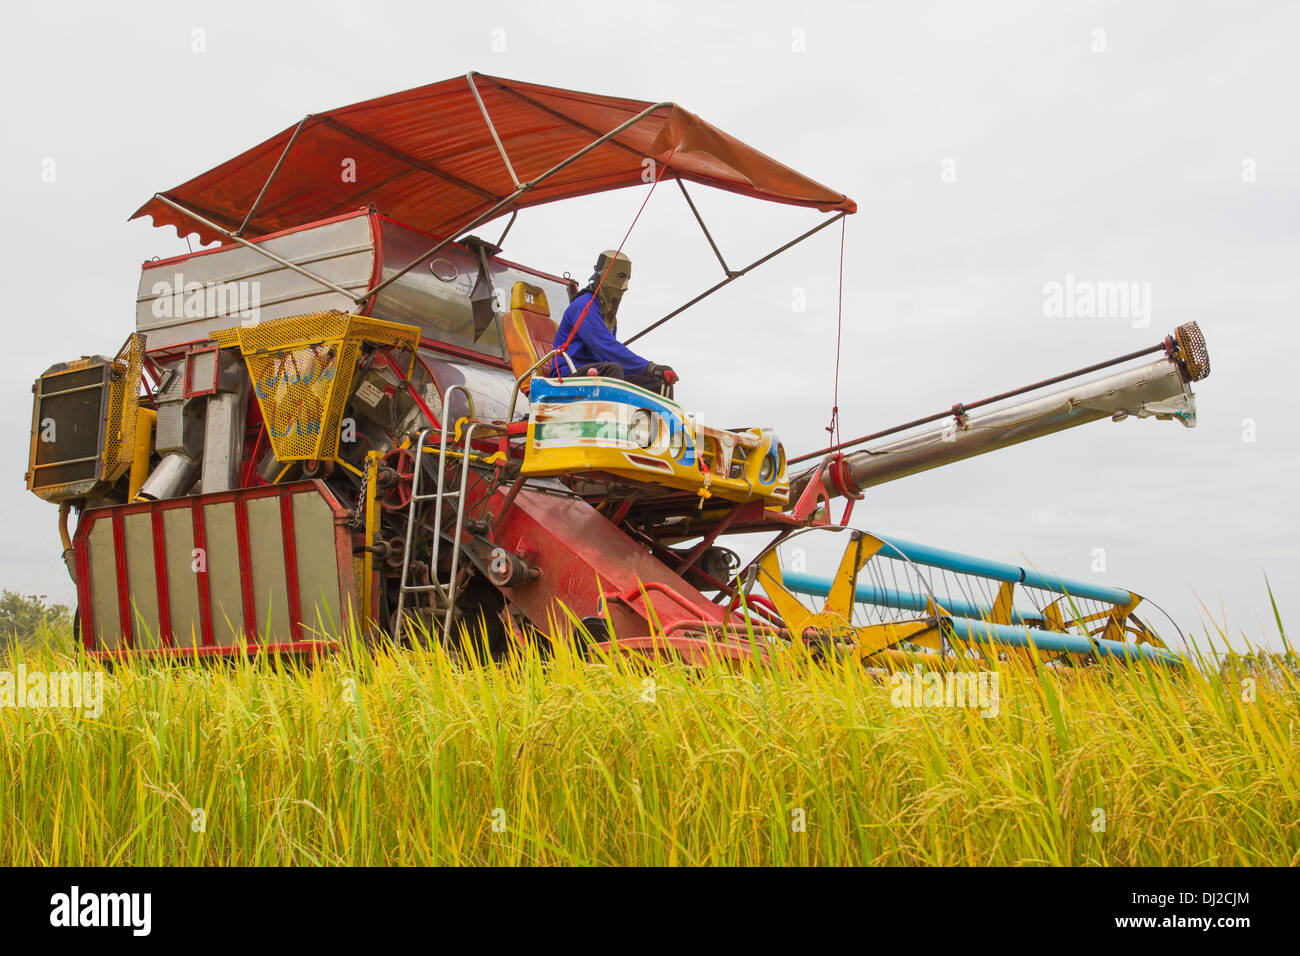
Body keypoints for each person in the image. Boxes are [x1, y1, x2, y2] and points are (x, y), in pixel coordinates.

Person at [552, 250, 678, 396]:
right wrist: (649, 367)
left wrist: (654, 373)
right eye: (620, 277)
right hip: (568, 375)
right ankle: (608, 418)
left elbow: (608, 356)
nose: (625, 286)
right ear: (604, 274)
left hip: (597, 372)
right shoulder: (583, 305)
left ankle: (659, 419)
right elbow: (605, 347)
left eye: (628, 279)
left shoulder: (608, 316)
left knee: (657, 383)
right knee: (613, 370)